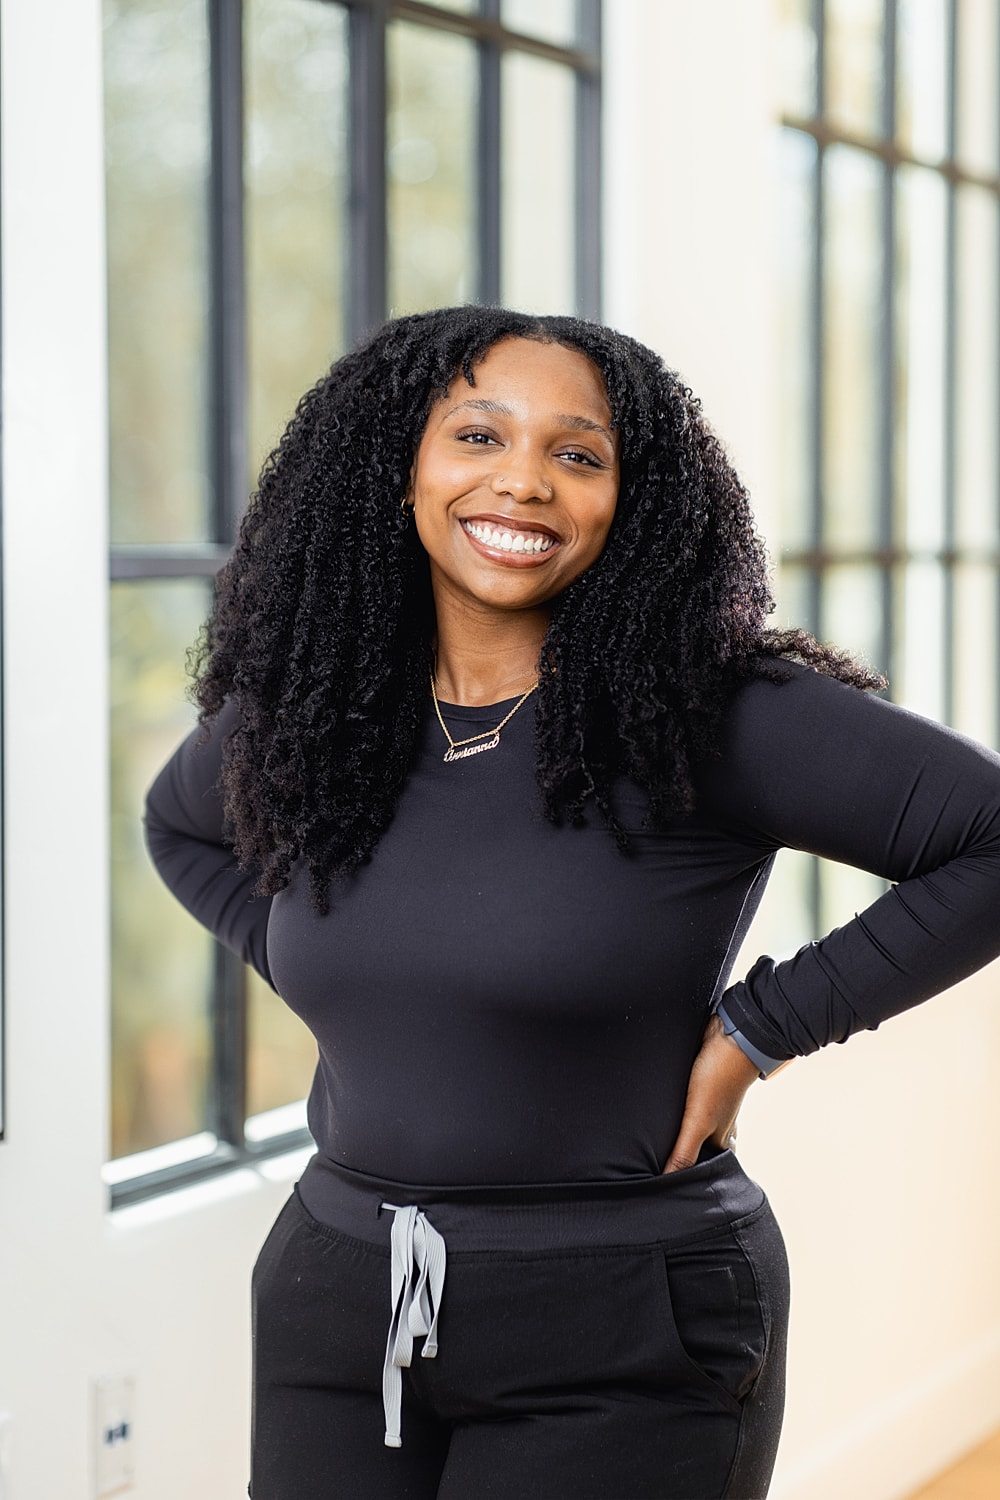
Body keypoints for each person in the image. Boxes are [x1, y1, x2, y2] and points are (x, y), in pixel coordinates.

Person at [144, 306, 1000, 1500]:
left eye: (578, 454)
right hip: (335, 1300)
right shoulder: (317, 705)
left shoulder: (709, 710)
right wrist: (325, 968)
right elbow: (179, 825)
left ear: (627, 500)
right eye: (478, 436)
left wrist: (765, 1027)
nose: (525, 483)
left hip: (623, 1317)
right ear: (399, 469)